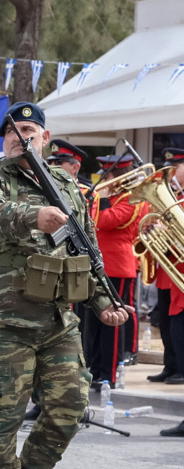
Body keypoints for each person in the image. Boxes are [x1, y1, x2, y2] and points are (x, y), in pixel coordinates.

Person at [0, 101, 133, 469]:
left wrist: (102, 303)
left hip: (57, 318)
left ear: (45, 137)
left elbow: (85, 251)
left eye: (29, 130)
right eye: (13, 132)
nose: (21, 138)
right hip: (3, 320)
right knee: (3, 413)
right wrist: (32, 216)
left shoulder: (67, 185)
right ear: (4, 140)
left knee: (71, 405)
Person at [85, 153, 145, 387]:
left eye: (107, 175)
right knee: (97, 323)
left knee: (113, 323)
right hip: (102, 264)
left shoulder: (130, 199)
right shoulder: (113, 197)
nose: (104, 179)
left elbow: (103, 221)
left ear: (118, 175)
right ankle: (96, 369)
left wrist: (98, 198)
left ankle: (108, 374)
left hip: (118, 266)